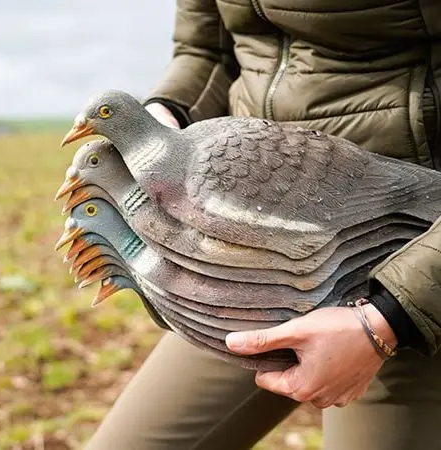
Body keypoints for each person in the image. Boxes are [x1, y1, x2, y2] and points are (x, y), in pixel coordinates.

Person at [84, 1, 441, 449]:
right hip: (242, 266)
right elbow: (206, 50)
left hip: (406, 255)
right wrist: (159, 128)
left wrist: (389, 319)